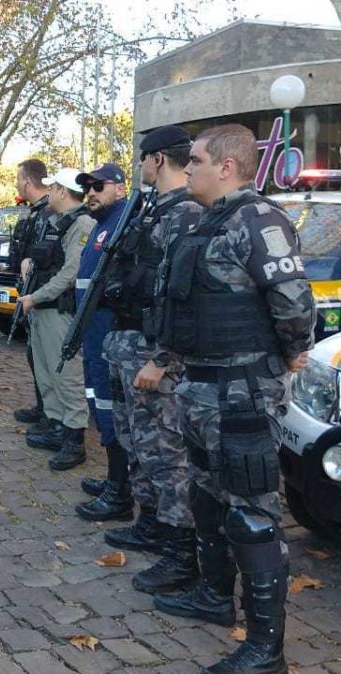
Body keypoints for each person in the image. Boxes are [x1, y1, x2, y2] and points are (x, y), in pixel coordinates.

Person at [151, 124, 314, 674]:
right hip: (198, 386)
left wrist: (294, 352)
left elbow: (293, 301)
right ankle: (214, 596)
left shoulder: (258, 219)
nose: (187, 167)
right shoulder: (206, 222)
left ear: (226, 166)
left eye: (195, 160)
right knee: (207, 498)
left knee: (251, 512)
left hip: (241, 389)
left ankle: (266, 649)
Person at [85, 126, 204, 594]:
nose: (139, 168)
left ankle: (180, 552)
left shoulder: (185, 213)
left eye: (142, 159)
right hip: (128, 337)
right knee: (138, 441)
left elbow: (183, 296)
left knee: (166, 453)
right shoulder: (154, 208)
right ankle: (151, 522)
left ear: (156, 159)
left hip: (153, 348)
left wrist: (164, 358)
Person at [52, 163, 127, 476]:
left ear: (120, 188)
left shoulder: (125, 220)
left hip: (110, 332)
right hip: (91, 333)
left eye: (99, 186)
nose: (91, 193)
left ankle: (120, 485)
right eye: (87, 188)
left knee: (112, 408)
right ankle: (114, 479)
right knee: (98, 403)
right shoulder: (100, 223)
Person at [18, 169, 95, 464]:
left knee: (66, 375)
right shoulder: (57, 222)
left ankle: (74, 438)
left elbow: (70, 273)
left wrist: (34, 297)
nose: (47, 192)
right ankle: (55, 424)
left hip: (58, 309)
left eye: (53, 188)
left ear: (64, 191)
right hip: (42, 308)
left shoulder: (82, 223)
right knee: (46, 371)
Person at [11, 159, 53, 424]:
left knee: (46, 357)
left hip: (42, 294)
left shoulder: (49, 212)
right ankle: (43, 406)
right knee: (33, 353)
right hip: (27, 291)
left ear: (27, 180)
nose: (16, 184)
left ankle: (52, 412)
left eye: (17, 179)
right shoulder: (32, 210)